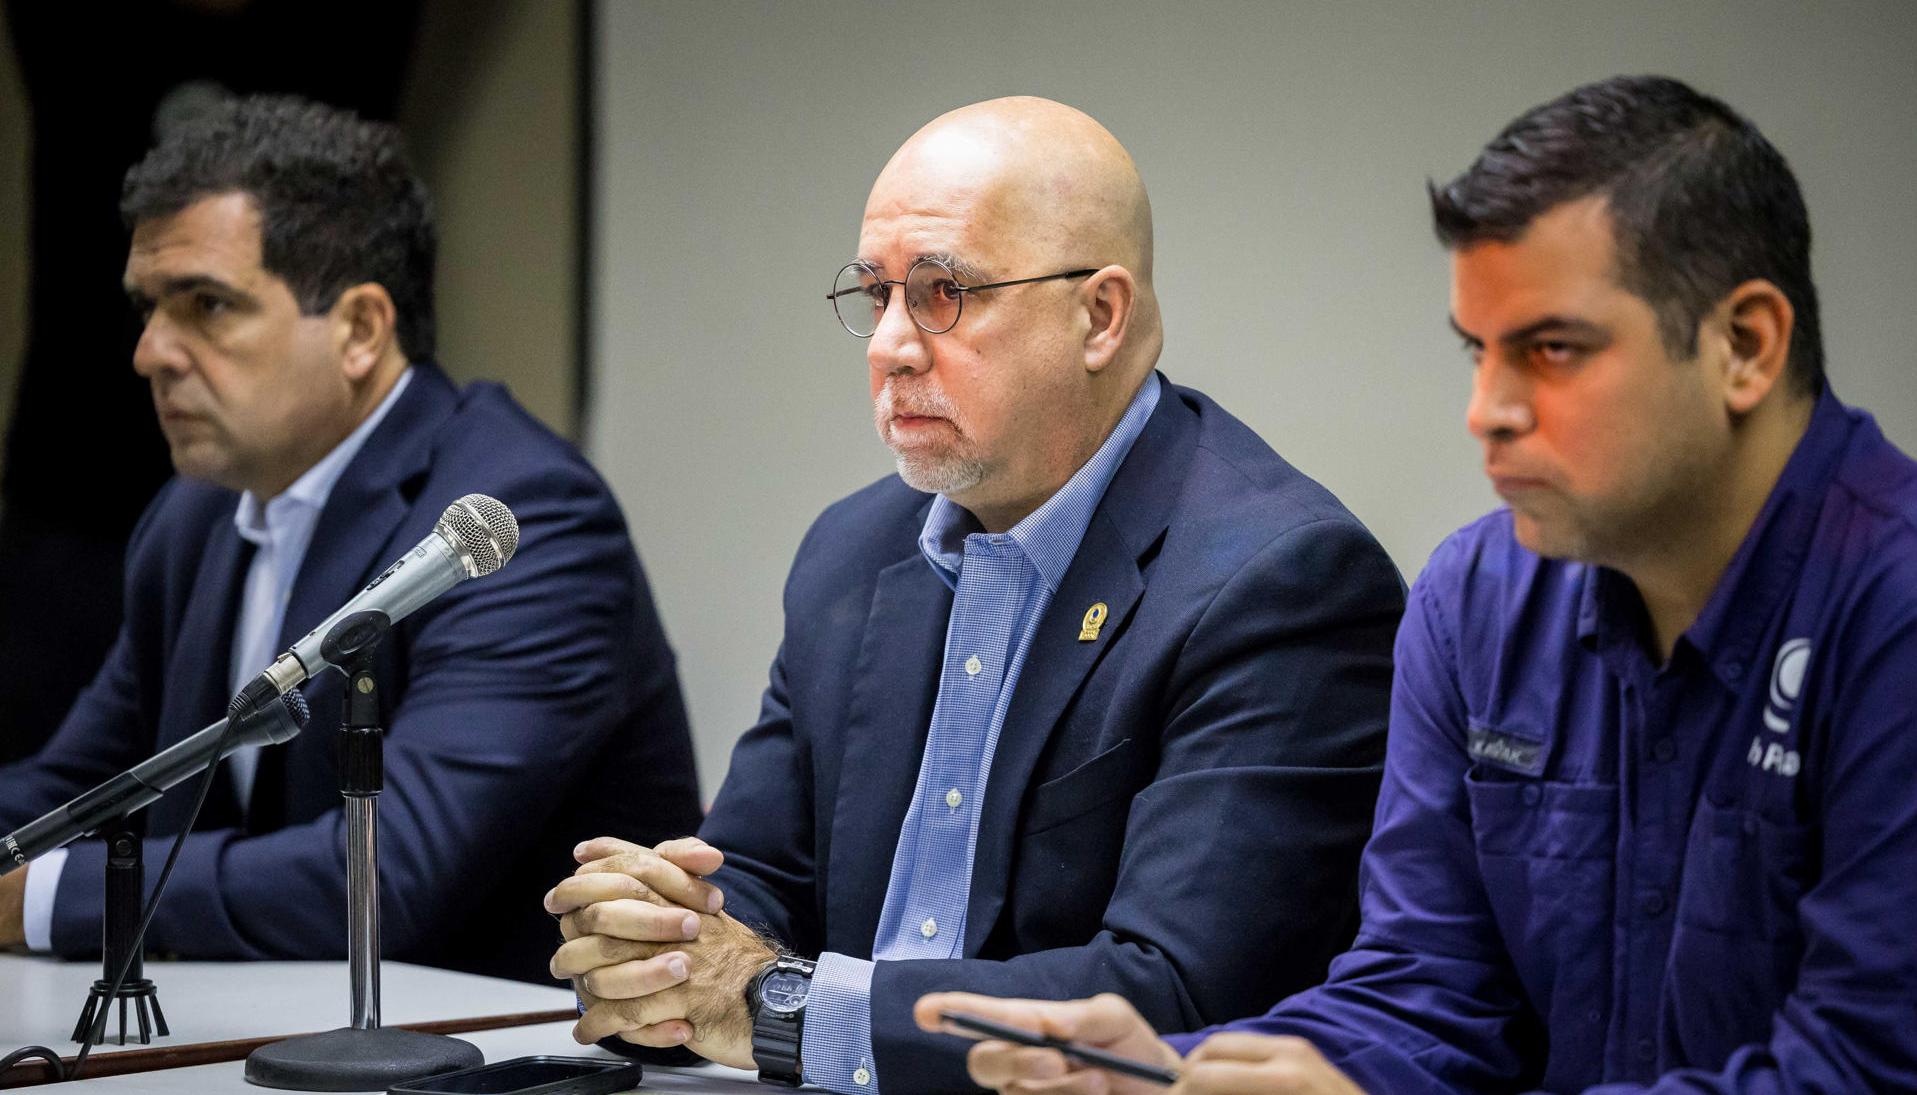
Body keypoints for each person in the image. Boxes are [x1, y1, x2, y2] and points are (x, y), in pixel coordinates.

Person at [919, 74, 1917, 1094]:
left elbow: (1862, 1071)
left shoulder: (1892, 611)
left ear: (1744, 346)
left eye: (1552, 351)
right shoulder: (1478, 598)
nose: (1487, 410)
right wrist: (1179, 1075)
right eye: (1479, 353)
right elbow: (1427, 991)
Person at [543, 97, 1405, 1094]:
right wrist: (649, 937)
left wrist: (770, 1009)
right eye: (878, 295)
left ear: (1101, 315)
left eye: (944, 293)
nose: (891, 346)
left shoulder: (1278, 581)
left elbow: (1172, 993)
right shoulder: (853, 551)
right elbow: (757, 889)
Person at [0, 95, 704, 986]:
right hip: (262, 1032)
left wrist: (37, 897)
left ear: (361, 329)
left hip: (492, 1054)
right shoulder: (195, 516)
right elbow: (82, 782)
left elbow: (390, 871)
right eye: (148, 308)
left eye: (206, 306)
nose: (149, 353)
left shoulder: (517, 517)